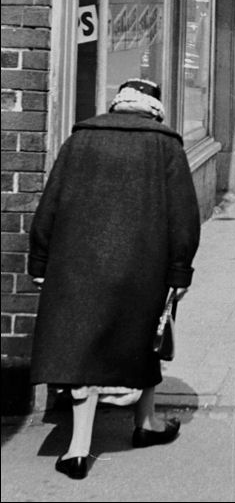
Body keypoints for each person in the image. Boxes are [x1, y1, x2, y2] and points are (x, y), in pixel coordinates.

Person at [28, 79, 201, 480]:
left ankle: (78, 449)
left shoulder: (79, 142)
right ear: (154, 109)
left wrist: (39, 262)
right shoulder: (166, 147)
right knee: (150, 338)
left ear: (116, 106)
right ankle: (144, 425)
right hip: (142, 269)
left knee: (82, 352)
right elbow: (184, 219)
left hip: (78, 265)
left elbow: (49, 205)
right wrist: (180, 270)